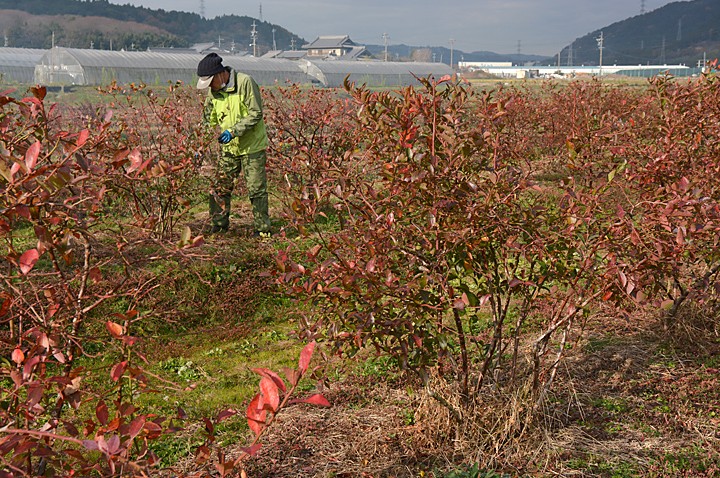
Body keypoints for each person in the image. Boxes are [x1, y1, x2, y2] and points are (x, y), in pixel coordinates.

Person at [196, 52, 271, 237]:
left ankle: (262, 230)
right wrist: (200, 145)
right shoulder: (213, 93)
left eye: (211, 81)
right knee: (220, 187)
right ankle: (219, 226)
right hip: (229, 149)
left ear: (220, 74)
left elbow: (255, 113)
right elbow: (208, 120)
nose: (210, 86)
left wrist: (233, 131)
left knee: (256, 189)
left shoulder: (245, 83)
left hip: (252, 146)